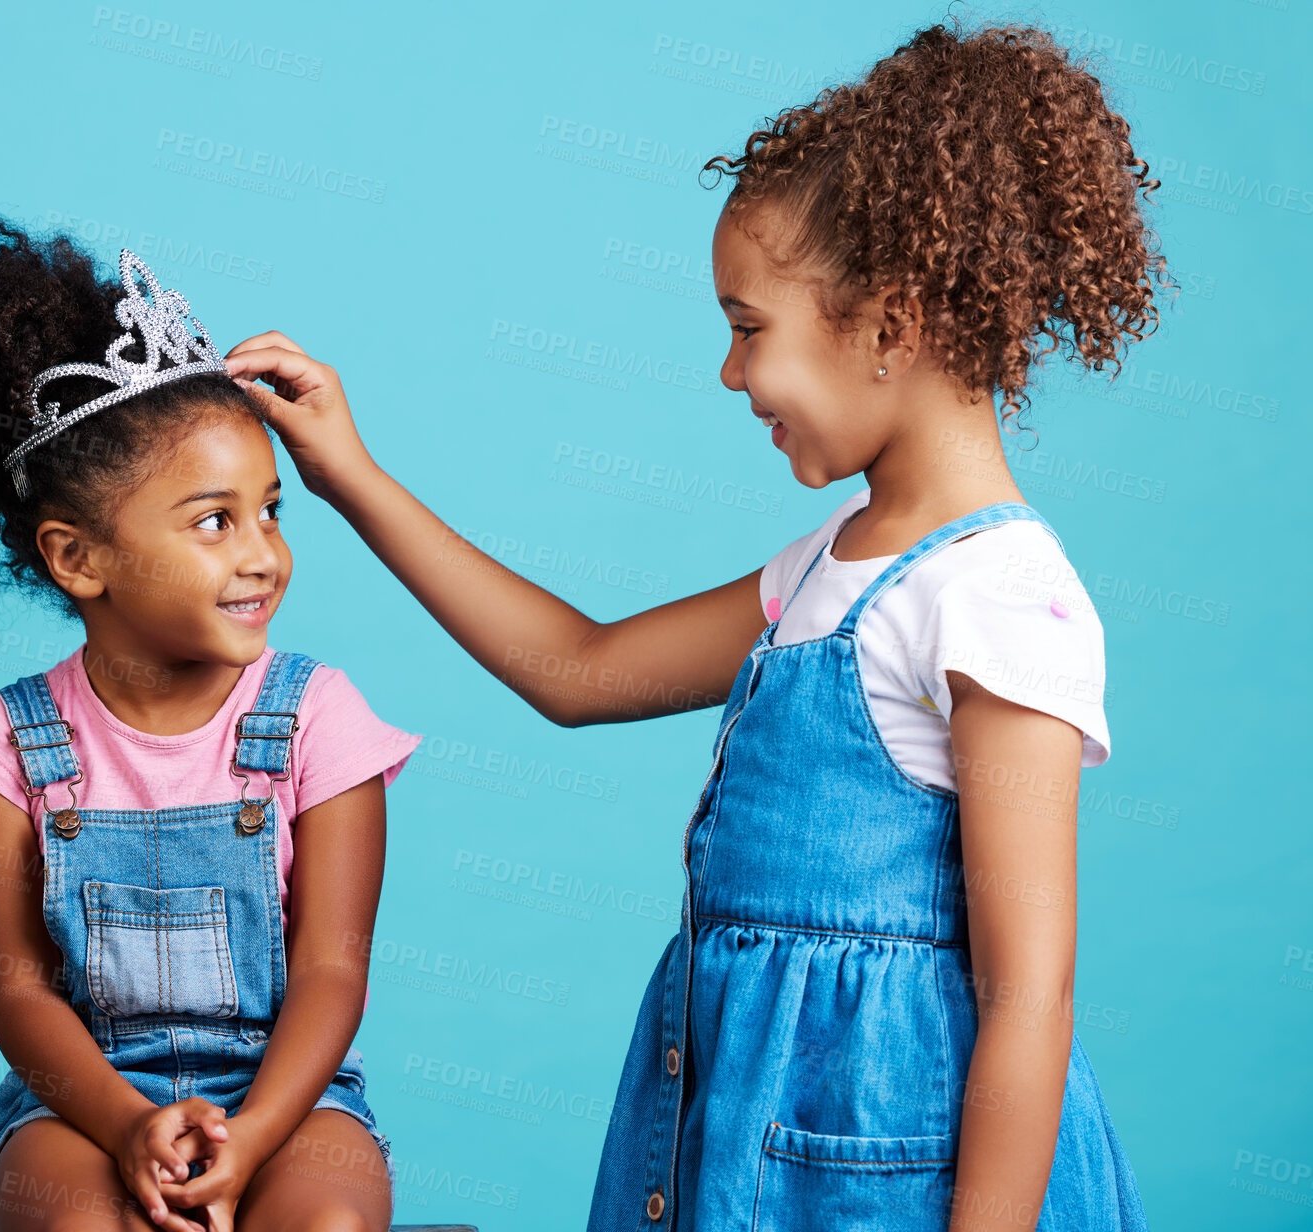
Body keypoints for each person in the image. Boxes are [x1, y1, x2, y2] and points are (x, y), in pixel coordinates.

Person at [217, 20, 1171, 1232]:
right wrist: (347, 470)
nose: (728, 374)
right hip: (743, 1150)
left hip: (892, 1177)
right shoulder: (822, 567)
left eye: (748, 327)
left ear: (887, 325)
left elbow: (1029, 997)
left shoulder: (993, 596)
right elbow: (575, 668)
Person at [0, 215, 421, 1232]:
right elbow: (19, 999)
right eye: (212, 520)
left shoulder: (320, 715)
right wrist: (127, 1123)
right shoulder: (1, 751)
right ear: (77, 558)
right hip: (82, 1097)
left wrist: (252, 1135)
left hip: (290, 1091)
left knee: (325, 1223)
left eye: (271, 509)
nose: (261, 553)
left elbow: (331, 971)